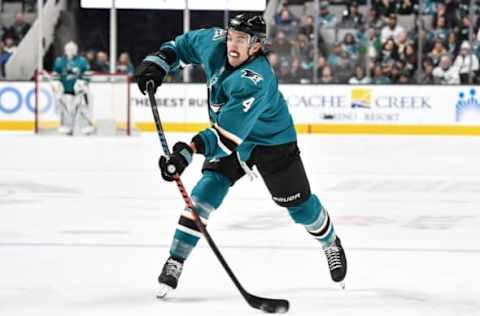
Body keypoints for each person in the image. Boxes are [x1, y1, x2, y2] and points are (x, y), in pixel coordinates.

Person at [134, 13, 347, 298]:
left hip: (271, 142)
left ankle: (330, 241)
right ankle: (176, 260)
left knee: (299, 207)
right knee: (203, 194)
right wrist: (158, 64)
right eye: (231, 37)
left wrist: (187, 152)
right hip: (231, 135)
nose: (232, 45)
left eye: (241, 40)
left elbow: (224, 140)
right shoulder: (214, 41)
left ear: (256, 46)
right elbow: (181, 46)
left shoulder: (256, 79)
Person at [52, 41, 94, 135]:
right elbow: (55, 74)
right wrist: (57, 84)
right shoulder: (59, 61)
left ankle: (86, 126)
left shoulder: (82, 61)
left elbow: (88, 74)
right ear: (65, 50)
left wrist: (83, 83)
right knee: (65, 109)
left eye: (72, 49)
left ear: (76, 50)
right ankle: (66, 126)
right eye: (68, 49)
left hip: (79, 91)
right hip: (65, 90)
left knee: (82, 107)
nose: (70, 51)